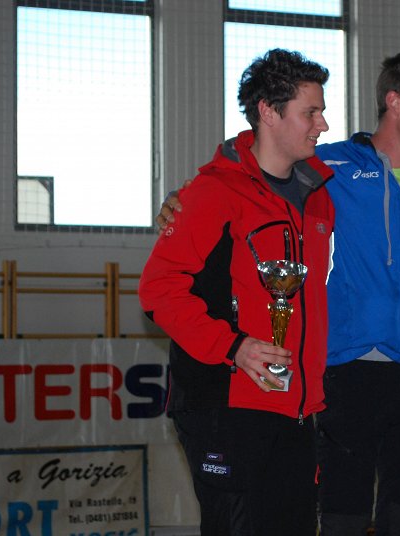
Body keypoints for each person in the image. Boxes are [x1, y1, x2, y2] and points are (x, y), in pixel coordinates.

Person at [156, 50, 400, 535]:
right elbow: (254, 168)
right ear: (395, 102)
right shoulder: (327, 167)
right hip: (342, 372)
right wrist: (181, 200)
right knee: (339, 518)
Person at [139, 48, 334, 536]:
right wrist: (233, 347)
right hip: (225, 405)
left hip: (295, 407)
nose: (323, 124)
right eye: (311, 112)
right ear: (268, 111)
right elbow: (158, 289)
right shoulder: (212, 192)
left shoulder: (319, 196)